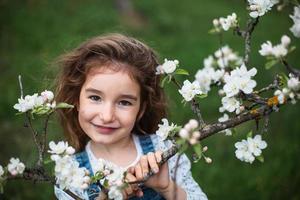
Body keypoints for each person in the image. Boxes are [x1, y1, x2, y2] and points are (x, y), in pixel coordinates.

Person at [54, 33, 208, 200]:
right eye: (95, 98)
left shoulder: (162, 149)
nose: (107, 116)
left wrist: (166, 187)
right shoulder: (70, 171)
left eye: (124, 102)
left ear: (140, 109)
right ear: (77, 101)